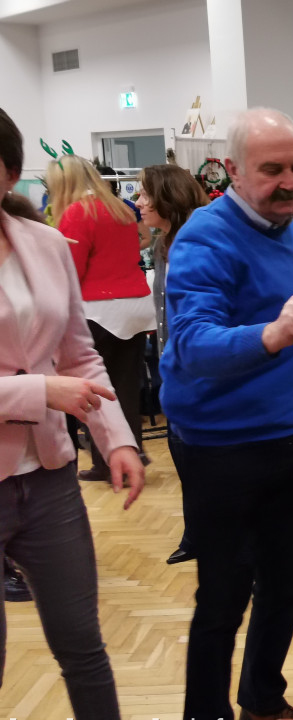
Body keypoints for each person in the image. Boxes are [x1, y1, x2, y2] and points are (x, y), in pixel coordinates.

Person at [160, 108, 293, 720]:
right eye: (272, 170)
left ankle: (262, 698)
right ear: (232, 170)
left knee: (289, 578)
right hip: (221, 447)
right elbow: (193, 345)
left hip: (292, 435)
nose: (290, 181)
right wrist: (271, 333)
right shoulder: (205, 238)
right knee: (224, 594)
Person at [1, 107, 145, 720]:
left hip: (50, 476)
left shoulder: (45, 243)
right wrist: (41, 394)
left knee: (83, 645)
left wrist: (115, 438)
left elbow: (81, 356)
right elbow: (54, 381)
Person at [47, 154, 155, 482]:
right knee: (124, 385)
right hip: (136, 305)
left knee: (93, 388)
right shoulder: (122, 208)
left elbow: (70, 270)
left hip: (99, 309)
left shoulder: (78, 213)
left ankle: (106, 461)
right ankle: (131, 452)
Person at [136, 163, 209, 566]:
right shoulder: (163, 243)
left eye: (145, 194)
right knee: (182, 453)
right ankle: (195, 534)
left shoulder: (195, 244)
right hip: (174, 367)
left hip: (198, 371)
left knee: (204, 462)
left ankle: (227, 548)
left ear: (168, 196)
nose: (139, 201)